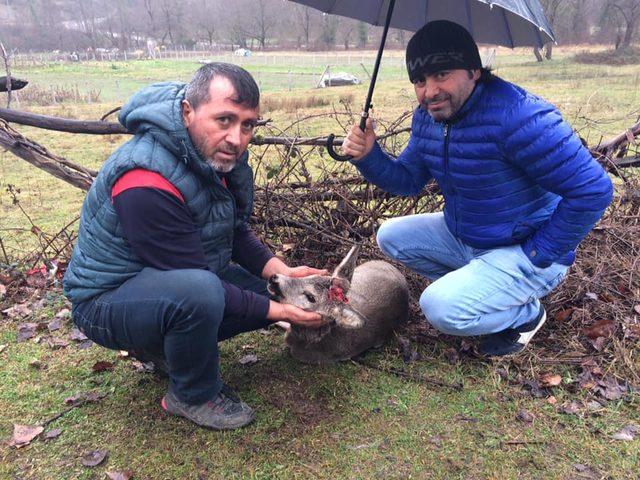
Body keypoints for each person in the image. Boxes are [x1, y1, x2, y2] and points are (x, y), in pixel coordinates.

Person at [63, 62, 328, 430]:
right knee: (202, 294)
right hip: (106, 301)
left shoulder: (209, 154)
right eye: (224, 119)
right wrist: (280, 313)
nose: (237, 137)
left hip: (166, 282)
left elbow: (231, 230)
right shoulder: (145, 179)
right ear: (188, 111)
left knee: (272, 292)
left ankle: (167, 349)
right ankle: (192, 394)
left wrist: (280, 274)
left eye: (247, 124)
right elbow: (193, 282)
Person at [341, 21, 613, 357]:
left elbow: (594, 190)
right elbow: (408, 180)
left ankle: (526, 315)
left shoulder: (521, 117)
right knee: (390, 235)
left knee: (440, 307)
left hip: (525, 248)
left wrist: (538, 253)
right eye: (419, 81)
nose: (429, 92)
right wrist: (369, 156)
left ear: (473, 70)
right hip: (469, 237)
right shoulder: (429, 118)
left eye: (441, 75)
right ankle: (488, 287)